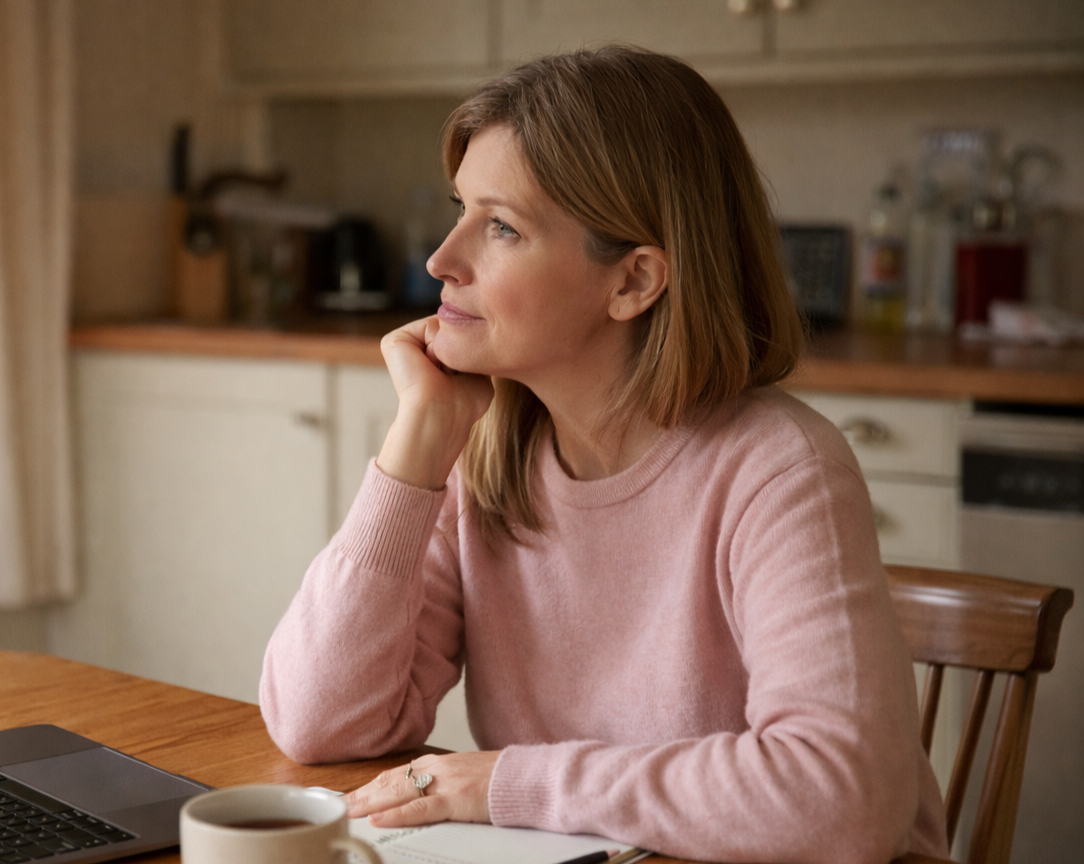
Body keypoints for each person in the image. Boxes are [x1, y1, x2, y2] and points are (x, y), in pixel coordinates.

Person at [259, 47, 949, 864]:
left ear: (634, 281)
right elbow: (321, 724)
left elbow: (841, 801)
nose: (441, 260)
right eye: (459, 211)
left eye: (501, 226)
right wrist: (413, 452)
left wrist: (506, 783)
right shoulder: (487, 458)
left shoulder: (779, 468)